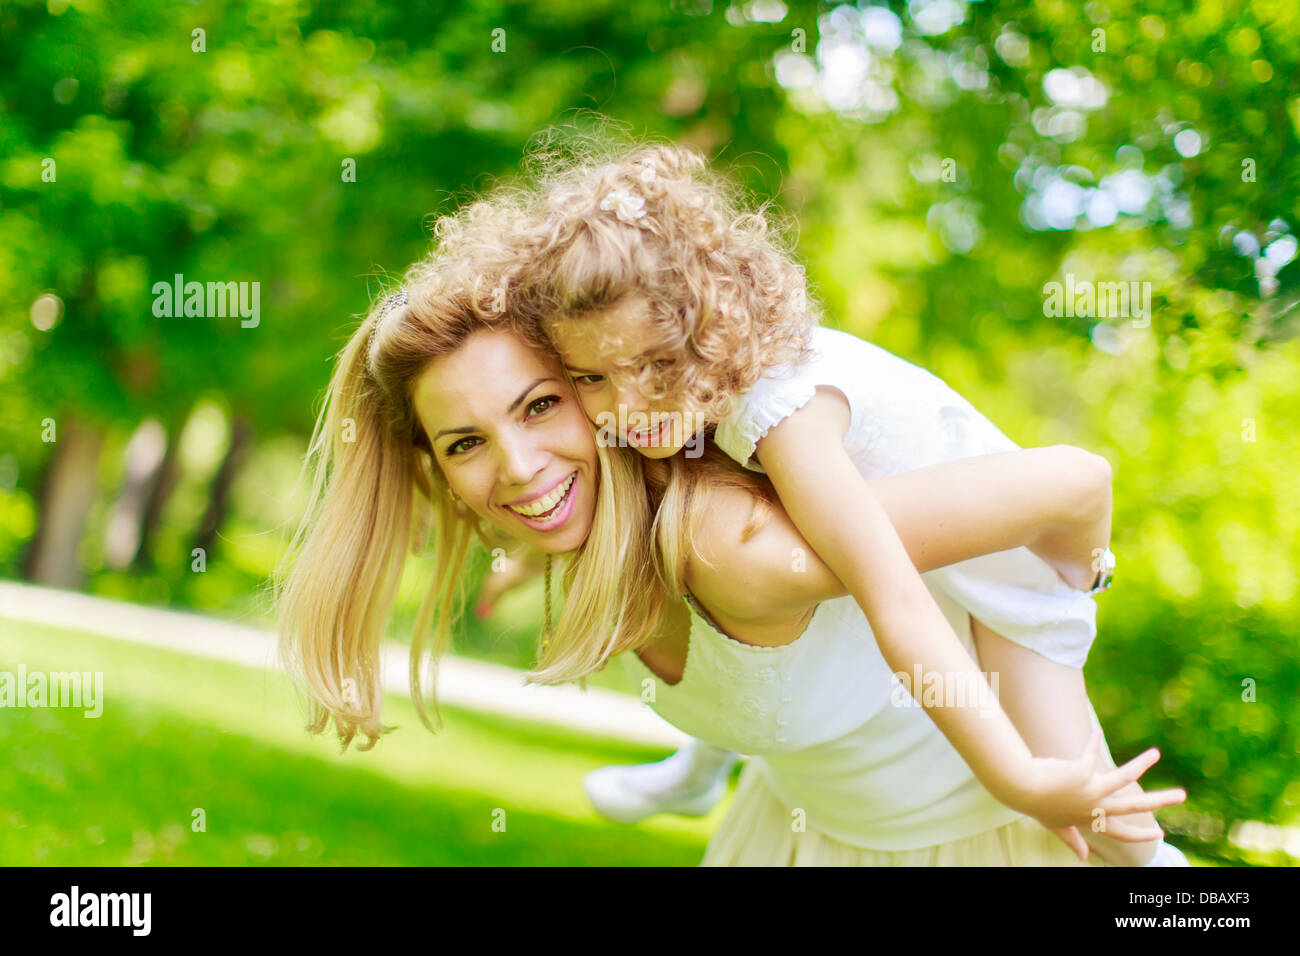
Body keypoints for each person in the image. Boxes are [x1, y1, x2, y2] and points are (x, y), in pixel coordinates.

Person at [273, 227, 1185, 865]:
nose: (516, 469)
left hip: (985, 825)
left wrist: (1077, 583)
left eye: (542, 405)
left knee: (1144, 867)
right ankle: (696, 775)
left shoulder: (749, 535)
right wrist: (526, 552)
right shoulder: (614, 475)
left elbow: (1071, 481)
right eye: (465, 443)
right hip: (802, 832)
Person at [495, 135, 1186, 865]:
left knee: (1108, 828)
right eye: (592, 378)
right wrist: (522, 552)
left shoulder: (783, 415)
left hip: (1015, 595)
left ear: (710, 321)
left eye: (654, 365)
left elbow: (898, 603)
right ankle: (700, 770)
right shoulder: (695, 395)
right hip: (957, 559)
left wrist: (1015, 778)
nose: (628, 407)